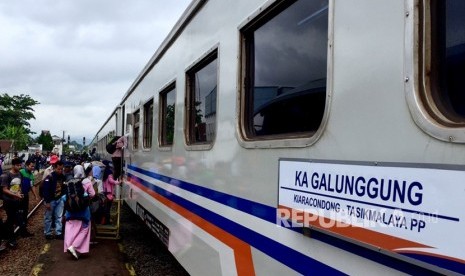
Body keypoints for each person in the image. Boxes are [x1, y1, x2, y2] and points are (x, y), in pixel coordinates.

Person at [63, 177, 95, 259]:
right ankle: (74, 246)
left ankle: (70, 245)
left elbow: (63, 201)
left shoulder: (66, 196)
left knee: (70, 232)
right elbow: (91, 195)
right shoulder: (84, 194)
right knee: (84, 230)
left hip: (70, 217)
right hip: (83, 217)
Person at [0, 158, 25, 248]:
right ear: (13, 165)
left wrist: (19, 193)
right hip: (8, 201)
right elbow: (4, 189)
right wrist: (15, 194)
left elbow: (19, 185)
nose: (19, 167)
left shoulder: (19, 174)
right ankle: (11, 240)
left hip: (16, 200)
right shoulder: (6, 176)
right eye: (18, 165)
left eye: (20, 165)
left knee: (13, 219)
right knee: (11, 219)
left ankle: (4, 232)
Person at [42, 160, 65, 240]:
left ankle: (58, 233)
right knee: (48, 217)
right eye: (58, 169)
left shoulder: (62, 176)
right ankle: (47, 233)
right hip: (51, 200)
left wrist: (63, 197)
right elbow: (45, 190)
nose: (60, 171)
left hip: (59, 199)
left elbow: (64, 187)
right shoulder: (50, 177)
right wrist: (47, 202)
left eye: (61, 169)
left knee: (59, 217)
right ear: (54, 168)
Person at [18, 160, 39, 237]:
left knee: (24, 213)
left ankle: (23, 229)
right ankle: (21, 228)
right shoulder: (21, 172)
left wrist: (36, 196)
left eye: (33, 166)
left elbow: (32, 186)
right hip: (19, 195)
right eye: (31, 166)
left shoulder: (31, 175)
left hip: (25, 195)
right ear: (26, 165)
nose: (33, 168)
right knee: (20, 212)